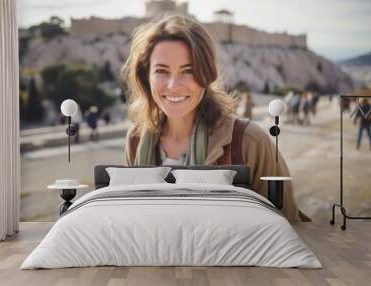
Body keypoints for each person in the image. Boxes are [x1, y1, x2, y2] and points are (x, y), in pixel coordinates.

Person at [121, 15, 309, 222]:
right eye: (161, 71)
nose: (173, 85)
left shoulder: (248, 141)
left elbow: (286, 223)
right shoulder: (136, 140)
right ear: (146, 76)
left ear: (207, 74)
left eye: (188, 71)